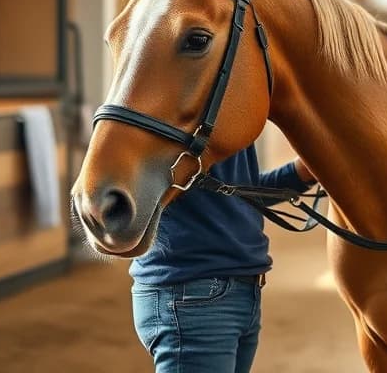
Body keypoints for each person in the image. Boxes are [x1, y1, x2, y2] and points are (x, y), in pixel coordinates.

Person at [130, 146, 315, 372]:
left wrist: (299, 174)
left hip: (239, 289)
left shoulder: (235, 117)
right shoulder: (169, 112)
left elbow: (235, 192)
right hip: (193, 292)